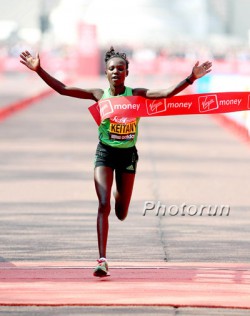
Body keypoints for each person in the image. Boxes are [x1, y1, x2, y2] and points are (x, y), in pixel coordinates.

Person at [20, 47, 212, 277]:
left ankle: (118, 196)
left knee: (121, 211)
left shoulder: (137, 94)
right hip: (105, 154)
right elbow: (62, 89)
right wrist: (39, 69)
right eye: (112, 68)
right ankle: (102, 259)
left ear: (127, 72)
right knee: (103, 204)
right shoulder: (99, 95)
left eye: (121, 69)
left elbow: (166, 93)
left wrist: (191, 78)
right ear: (106, 71)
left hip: (127, 157)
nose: (116, 72)